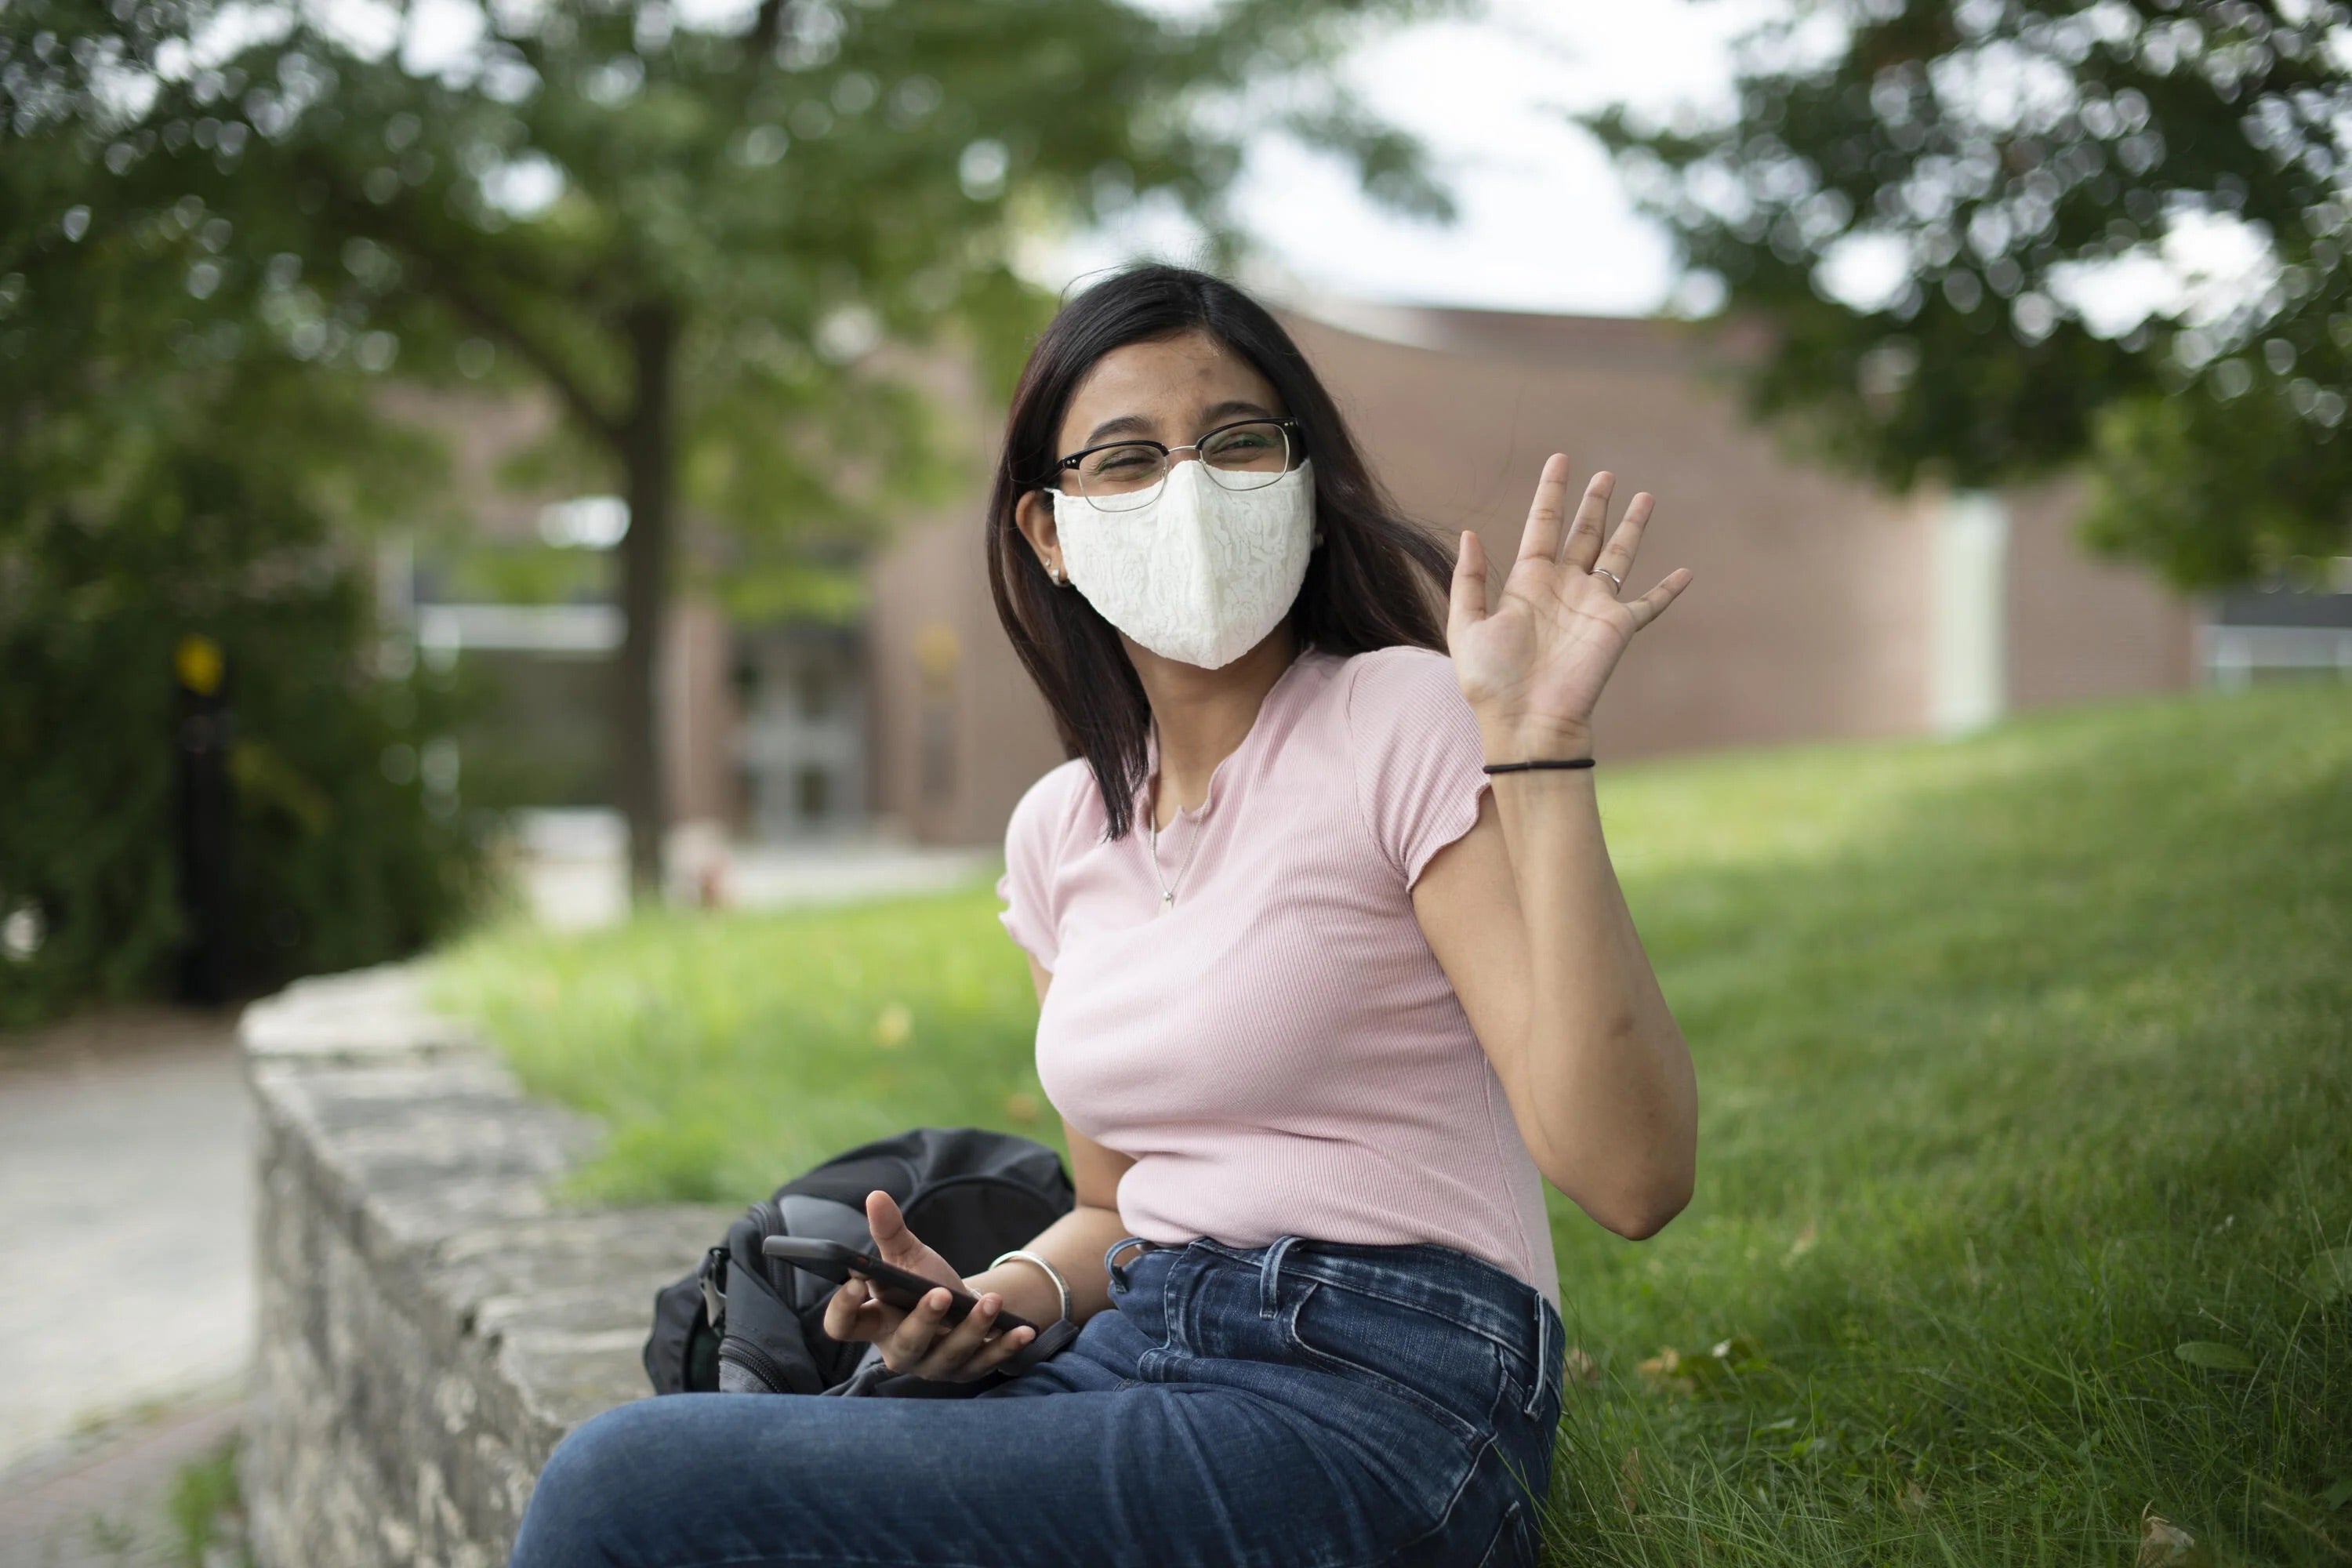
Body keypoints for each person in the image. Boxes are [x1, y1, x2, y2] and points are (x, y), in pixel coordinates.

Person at [508, 264, 1698, 1567]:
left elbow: (1632, 1176)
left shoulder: (1400, 716)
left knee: (624, 1487)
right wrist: (997, 1298)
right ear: (1051, 532)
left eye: (1236, 443)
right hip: (1134, 1351)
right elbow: (1117, 1205)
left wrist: (1539, 751)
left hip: (1377, 1392)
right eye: (1126, 461)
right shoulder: (1059, 832)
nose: (1189, 489)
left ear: (1304, 486)